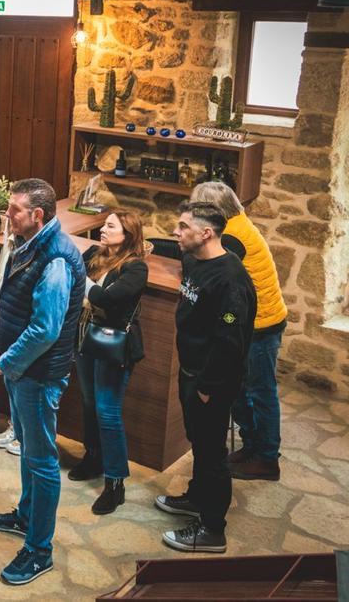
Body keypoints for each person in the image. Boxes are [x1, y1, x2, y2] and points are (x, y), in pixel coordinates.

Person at [0, 178, 85, 585]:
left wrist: (6, 362)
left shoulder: (56, 259)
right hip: (21, 370)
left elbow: (45, 330)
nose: (8, 215)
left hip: (38, 376)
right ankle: (26, 515)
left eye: (15, 211)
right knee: (27, 448)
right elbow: (14, 299)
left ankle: (40, 550)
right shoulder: (30, 243)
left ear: (37, 215)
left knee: (42, 462)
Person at [156, 202, 255, 554]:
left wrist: (209, 388)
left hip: (212, 382)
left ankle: (212, 529)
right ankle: (197, 499)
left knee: (213, 455)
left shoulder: (230, 280)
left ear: (206, 233)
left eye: (183, 227)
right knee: (199, 442)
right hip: (192, 372)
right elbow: (167, 245)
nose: (176, 232)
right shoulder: (196, 259)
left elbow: (230, 341)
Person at [189, 182, 287, 482]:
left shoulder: (231, 236)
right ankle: (253, 446)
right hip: (255, 322)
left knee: (260, 392)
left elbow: (209, 270)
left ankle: (267, 458)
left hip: (261, 325)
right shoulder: (236, 223)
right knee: (242, 390)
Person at [70, 210, 148, 516]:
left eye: (110, 226)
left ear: (127, 234)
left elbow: (103, 298)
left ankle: (116, 483)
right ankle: (93, 457)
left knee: (108, 410)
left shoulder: (135, 268)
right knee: (89, 402)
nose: (103, 229)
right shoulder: (95, 254)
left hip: (113, 346)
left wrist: (85, 286)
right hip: (84, 337)